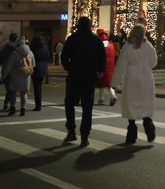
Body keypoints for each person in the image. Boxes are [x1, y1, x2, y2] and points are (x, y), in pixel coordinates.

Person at [61, 17, 107, 146]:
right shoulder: (95, 39)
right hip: (89, 76)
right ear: (90, 26)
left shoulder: (72, 39)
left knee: (70, 103)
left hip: (75, 75)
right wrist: (100, 70)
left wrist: (69, 68)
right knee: (87, 107)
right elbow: (102, 56)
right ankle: (85, 136)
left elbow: (64, 57)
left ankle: (71, 131)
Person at [111, 24, 158, 144]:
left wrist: (114, 84)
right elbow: (154, 62)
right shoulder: (148, 46)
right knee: (145, 102)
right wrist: (145, 66)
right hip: (146, 76)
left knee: (130, 103)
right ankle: (148, 124)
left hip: (131, 77)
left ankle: (132, 133)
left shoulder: (127, 47)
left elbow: (121, 66)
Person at [3, 35, 35, 116]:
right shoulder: (30, 53)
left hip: (15, 76)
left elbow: (9, 66)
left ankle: (13, 108)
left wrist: (4, 75)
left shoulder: (15, 53)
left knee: (13, 92)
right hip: (26, 76)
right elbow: (33, 65)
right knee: (23, 93)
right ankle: (23, 109)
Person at [0, 33, 20, 111]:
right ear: (16, 38)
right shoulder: (18, 48)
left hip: (6, 69)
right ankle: (12, 105)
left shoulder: (5, 47)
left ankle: (7, 103)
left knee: (8, 88)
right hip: (15, 70)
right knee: (13, 89)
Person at [96, 31, 117, 106]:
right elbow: (114, 55)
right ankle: (112, 95)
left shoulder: (99, 45)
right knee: (109, 83)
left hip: (102, 67)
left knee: (101, 83)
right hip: (111, 67)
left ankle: (102, 98)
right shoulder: (111, 45)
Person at [31, 35, 51, 111]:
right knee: (39, 86)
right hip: (43, 68)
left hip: (36, 68)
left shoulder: (34, 47)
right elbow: (48, 56)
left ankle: (37, 105)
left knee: (36, 88)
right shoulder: (45, 47)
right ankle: (39, 105)